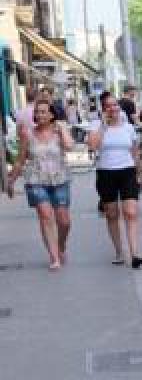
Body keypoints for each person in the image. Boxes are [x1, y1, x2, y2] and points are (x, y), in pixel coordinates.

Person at [6, 100, 73, 269]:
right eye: (37, 112)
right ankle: (54, 256)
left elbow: (70, 146)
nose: (39, 115)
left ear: (51, 115)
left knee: (64, 221)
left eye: (43, 112)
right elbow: (20, 160)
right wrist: (11, 181)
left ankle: (61, 245)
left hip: (59, 180)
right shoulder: (27, 134)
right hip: (36, 180)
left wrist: (63, 129)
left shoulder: (58, 133)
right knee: (45, 216)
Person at [87, 92, 142, 268]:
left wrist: (139, 173)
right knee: (112, 214)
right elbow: (93, 146)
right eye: (108, 106)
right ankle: (120, 251)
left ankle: (135, 253)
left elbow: (135, 151)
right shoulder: (96, 125)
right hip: (106, 173)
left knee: (131, 212)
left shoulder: (128, 127)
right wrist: (104, 125)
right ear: (102, 109)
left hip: (127, 171)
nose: (112, 109)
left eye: (115, 105)